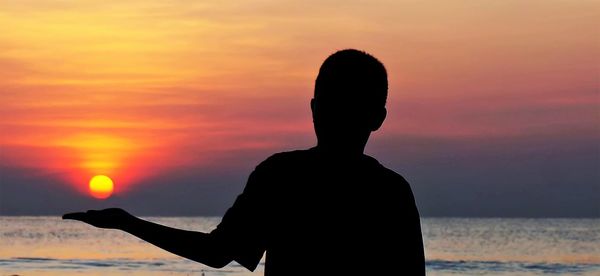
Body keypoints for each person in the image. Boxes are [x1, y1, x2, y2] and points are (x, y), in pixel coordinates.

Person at [64, 49, 425, 275]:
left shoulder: (282, 175)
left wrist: (129, 224)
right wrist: (128, 223)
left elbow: (216, 252)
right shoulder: (391, 191)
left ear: (313, 109)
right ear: (378, 117)